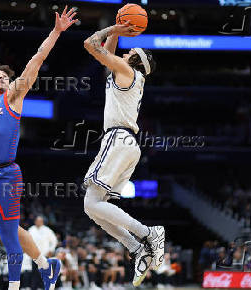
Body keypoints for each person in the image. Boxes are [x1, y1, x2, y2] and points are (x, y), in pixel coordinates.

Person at [0, 6, 78, 290]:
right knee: (6, 230)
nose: (1, 77)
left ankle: (14, 286)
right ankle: (48, 267)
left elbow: (37, 59)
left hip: (7, 174)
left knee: (9, 237)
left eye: (4, 76)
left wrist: (56, 32)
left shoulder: (12, 97)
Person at [82, 22, 165, 286]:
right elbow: (106, 54)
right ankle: (137, 246)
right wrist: (116, 33)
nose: (125, 52)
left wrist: (113, 26)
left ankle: (148, 233)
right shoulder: (128, 74)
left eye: (130, 51)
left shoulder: (127, 70)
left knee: (91, 205)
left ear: (134, 60)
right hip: (126, 143)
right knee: (93, 208)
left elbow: (90, 45)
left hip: (118, 139)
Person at [28, 216, 58, 290]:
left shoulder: (47, 230)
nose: (39, 222)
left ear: (42, 222)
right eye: (37, 221)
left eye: (40, 221)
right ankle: (34, 288)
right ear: (35, 222)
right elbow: (27, 241)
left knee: (45, 274)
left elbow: (54, 241)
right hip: (34, 255)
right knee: (34, 274)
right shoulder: (31, 230)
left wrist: (51, 250)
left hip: (45, 255)